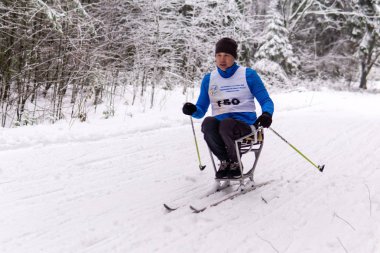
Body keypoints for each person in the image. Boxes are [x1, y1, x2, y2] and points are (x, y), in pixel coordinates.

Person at [182, 37, 274, 179]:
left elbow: (266, 100)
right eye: (218, 55)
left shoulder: (248, 75)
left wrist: (267, 114)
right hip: (222, 129)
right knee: (208, 122)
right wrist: (193, 110)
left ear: (234, 57)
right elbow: (201, 110)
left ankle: (236, 163)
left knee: (226, 124)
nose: (222, 59)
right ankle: (225, 161)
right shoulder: (209, 79)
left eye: (226, 55)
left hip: (246, 129)